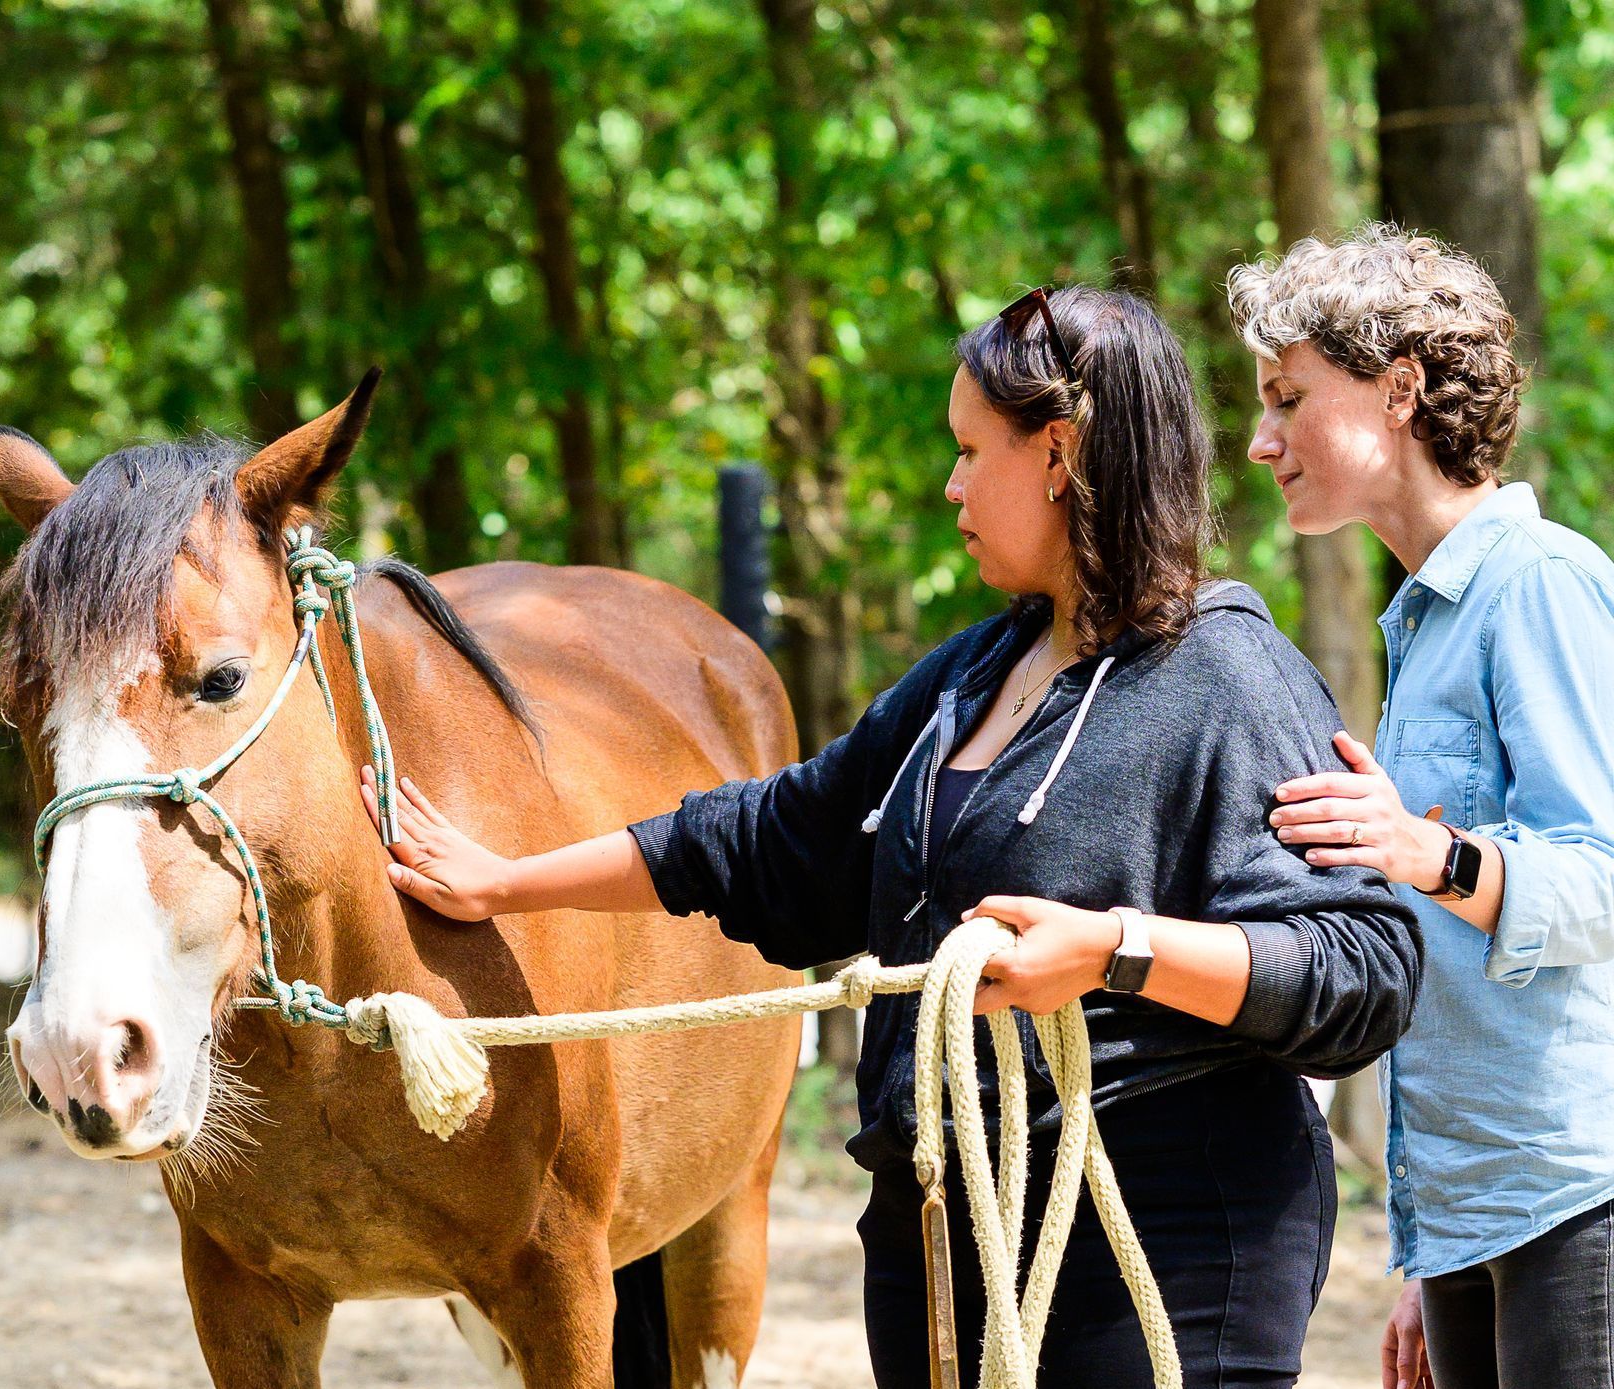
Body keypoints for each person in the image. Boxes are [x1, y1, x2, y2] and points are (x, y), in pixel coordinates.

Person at [368, 285, 1421, 1387]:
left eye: (972, 452)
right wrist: (505, 882)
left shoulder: (1230, 679)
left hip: (1160, 1243)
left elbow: (1364, 969)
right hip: (940, 1227)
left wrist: (1114, 950)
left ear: (1058, 455)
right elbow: (770, 837)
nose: (953, 486)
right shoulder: (978, 674)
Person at [1229, 224, 1614, 1389]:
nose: (1260, 441)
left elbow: (1601, 880)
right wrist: (1427, 1256)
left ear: (1399, 391)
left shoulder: (1537, 582)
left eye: (1288, 398)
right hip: (1469, 1221)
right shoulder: (1429, 622)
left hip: (1576, 1205)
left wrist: (1424, 852)